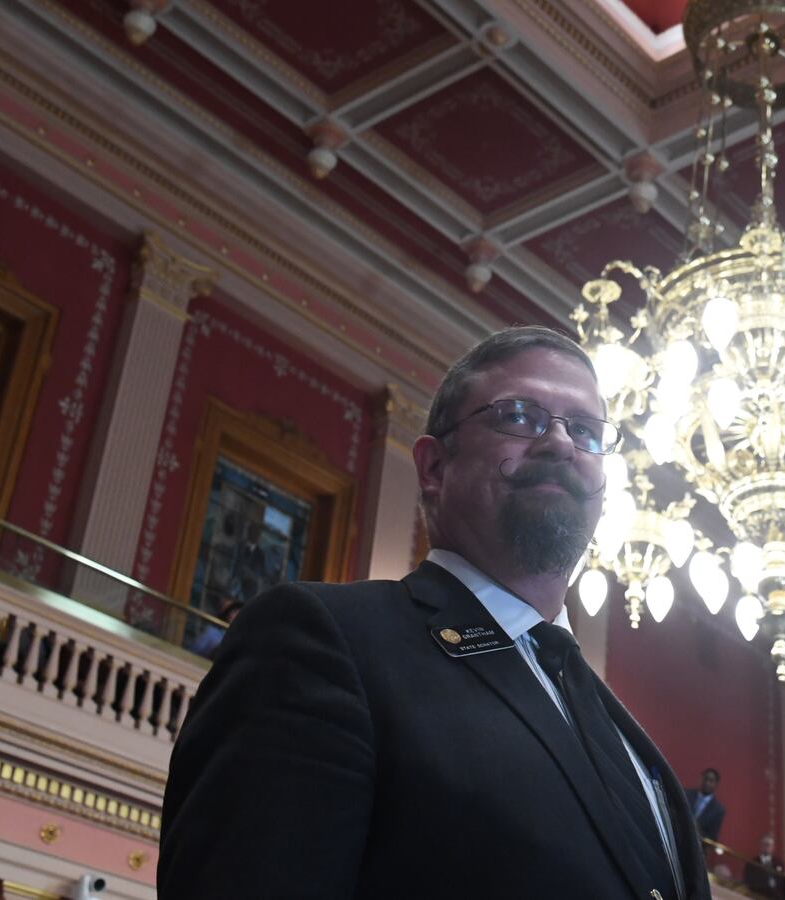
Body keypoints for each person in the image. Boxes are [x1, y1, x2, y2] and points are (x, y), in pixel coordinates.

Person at [159, 326, 710, 899]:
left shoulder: (628, 742)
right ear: (434, 468)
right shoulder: (322, 641)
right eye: (520, 416)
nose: (559, 443)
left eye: (585, 430)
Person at [742, 834, 785, 900]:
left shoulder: (779, 862)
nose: (767, 847)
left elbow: (784, 884)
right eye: (765, 844)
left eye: (769, 845)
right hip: (760, 897)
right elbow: (748, 884)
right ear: (760, 846)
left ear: (773, 847)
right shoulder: (752, 863)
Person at [685, 767, 725, 842]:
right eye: (705, 779)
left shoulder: (718, 810)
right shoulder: (686, 794)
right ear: (701, 779)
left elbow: (712, 836)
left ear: (716, 784)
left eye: (711, 781)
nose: (707, 783)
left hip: (697, 845)